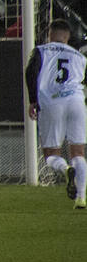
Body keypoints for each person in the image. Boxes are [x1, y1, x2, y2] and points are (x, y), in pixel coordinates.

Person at [24, 19, 87, 209]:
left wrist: (33, 100)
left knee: (51, 154)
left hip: (52, 102)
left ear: (50, 34)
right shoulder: (80, 56)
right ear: (67, 37)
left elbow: (30, 72)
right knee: (78, 152)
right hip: (77, 102)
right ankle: (81, 198)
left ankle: (66, 169)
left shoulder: (41, 50)